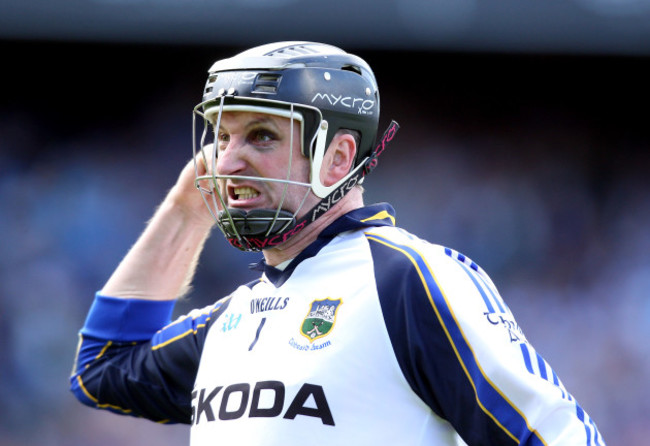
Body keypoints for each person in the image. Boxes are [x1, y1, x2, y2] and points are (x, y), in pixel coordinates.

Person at [70, 41, 605, 445]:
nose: (226, 161)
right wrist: (186, 208)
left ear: (338, 158)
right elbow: (103, 369)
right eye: (222, 135)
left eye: (261, 135)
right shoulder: (235, 317)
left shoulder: (410, 280)